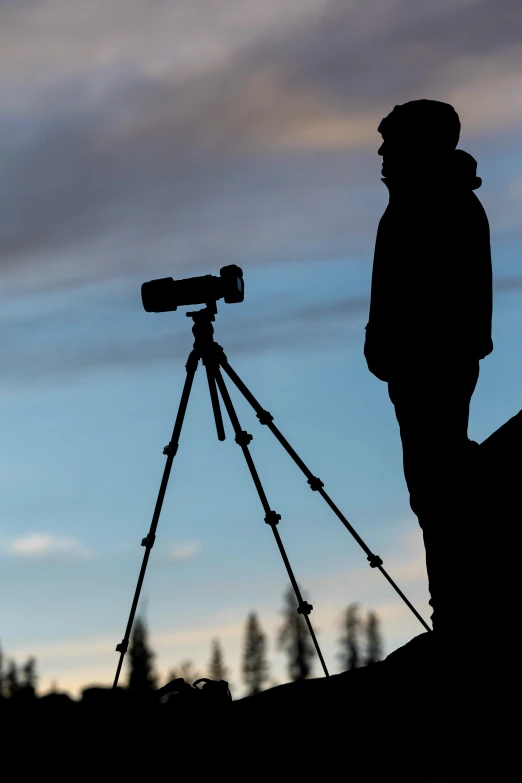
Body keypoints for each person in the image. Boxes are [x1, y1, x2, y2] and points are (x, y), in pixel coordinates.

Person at [364, 99, 493, 633]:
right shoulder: (419, 201)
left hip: (432, 368)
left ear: (418, 146)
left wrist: (404, 350)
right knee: (433, 486)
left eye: (391, 142)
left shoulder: (439, 203)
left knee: (441, 487)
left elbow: (443, 301)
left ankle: (461, 615)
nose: (381, 152)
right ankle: (458, 610)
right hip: (418, 367)